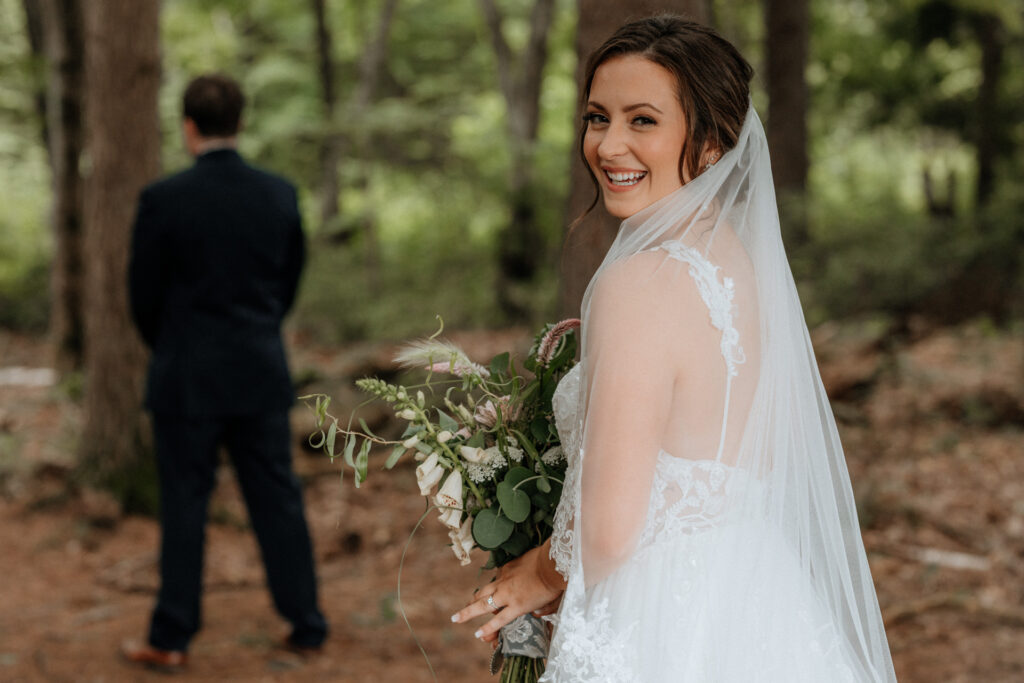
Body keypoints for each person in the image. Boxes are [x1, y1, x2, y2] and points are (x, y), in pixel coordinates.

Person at [452, 16, 897, 682]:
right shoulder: (735, 262)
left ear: (713, 143)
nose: (609, 145)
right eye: (598, 117)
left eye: (643, 121)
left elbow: (606, 531)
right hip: (756, 590)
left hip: (659, 614)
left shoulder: (639, 282)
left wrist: (536, 573)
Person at [123, 74, 327, 671]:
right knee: (277, 500)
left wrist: (173, 344)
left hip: (185, 375)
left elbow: (142, 295)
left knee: (185, 506)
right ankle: (307, 624)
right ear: (240, 123)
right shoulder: (280, 194)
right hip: (259, 370)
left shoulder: (163, 199)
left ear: (188, 126)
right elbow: (288, 283)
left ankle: (171, 637)